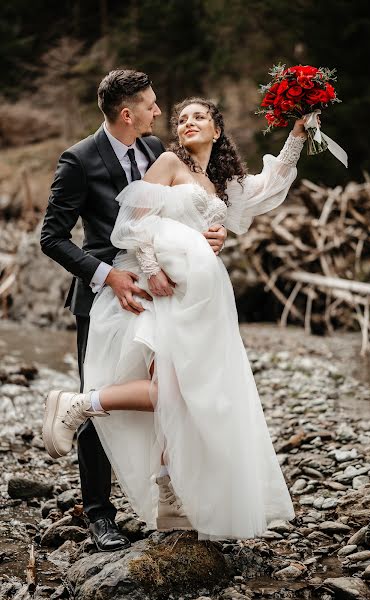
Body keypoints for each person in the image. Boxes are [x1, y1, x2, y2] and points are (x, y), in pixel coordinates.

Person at [43, 96, 308, 541]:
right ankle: (82, 406)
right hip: (163, 291)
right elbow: (131, 222)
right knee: (174, 389)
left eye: (198, 117)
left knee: (193, 392)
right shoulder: (166, 161)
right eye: (182, 118)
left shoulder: (224, 182)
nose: (186, 122)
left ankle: (170, 494)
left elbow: (268, 186)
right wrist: (150, 269)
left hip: (204, 299)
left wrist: (298, 134)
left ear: (217, 130)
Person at [40, 72, 226, 551]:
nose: (158, 112)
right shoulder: (78, 160)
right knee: (100, 387)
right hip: (105, 294)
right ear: (128, 113)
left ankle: (168, 498)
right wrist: (107, 275)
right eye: (151, 104)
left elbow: (181, 213)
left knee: (164, 390)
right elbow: (52, 237)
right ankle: (100, 514)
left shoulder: (155, 153)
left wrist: (211, 235)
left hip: (160, 294)